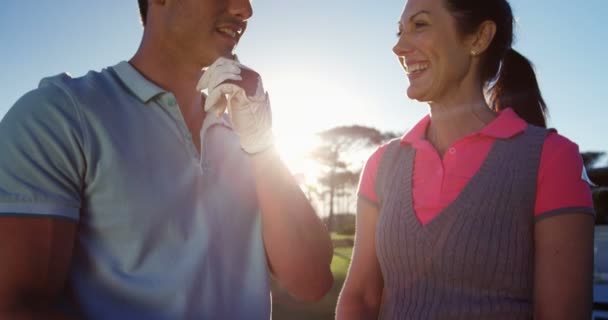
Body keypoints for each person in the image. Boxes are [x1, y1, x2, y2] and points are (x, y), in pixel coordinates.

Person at [0, 0, 333, 319]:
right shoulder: (60, 114)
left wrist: (262, 145)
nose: (245, 9)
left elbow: (312, 281)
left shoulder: (248, 132)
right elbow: (15, 307)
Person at [336, 0, 594, 318]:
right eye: (400, 30)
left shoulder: (552, 160)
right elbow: (360, 298)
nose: (398, 46)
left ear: (478, 38)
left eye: (420, 25)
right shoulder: (382, 165)